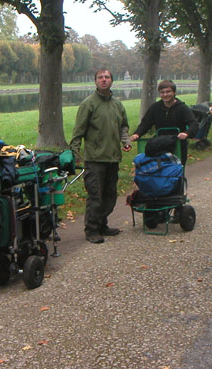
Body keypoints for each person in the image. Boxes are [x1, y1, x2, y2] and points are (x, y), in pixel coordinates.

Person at [70, 69, 132, 244]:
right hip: (94, 160)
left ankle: (102, 224)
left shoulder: (118, 105)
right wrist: (75, 155)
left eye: (107, 77)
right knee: (95, 197)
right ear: (95, 81)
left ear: (112, 80)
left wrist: (125, 141)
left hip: (113, 158)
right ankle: (91, 230)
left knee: (110, 196)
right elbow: (78, 132)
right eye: (100, 77)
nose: (104, 80)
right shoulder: (88, 104)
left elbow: (123, 127)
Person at [130, 80, 198, 166]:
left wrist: (187, 133)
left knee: (177, 171)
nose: (165, 95)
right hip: (159, 144)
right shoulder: (155, 108)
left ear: (174, 92)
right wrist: (137, 134)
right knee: (160, 171)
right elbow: (146, 123)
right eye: (162, 92)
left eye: (168, 92)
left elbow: (194, 124)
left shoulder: (182, 108)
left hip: (178, 144)